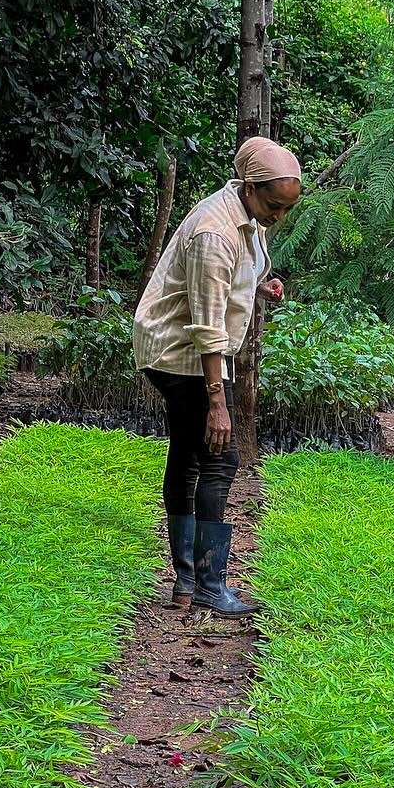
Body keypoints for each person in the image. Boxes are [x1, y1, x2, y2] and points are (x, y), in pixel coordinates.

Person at [133, 137, 301, 617]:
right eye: (274, 206)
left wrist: (259, 286)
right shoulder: (215, 231)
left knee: (189, 455)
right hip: (182, 352)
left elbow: (227, 282)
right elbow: (207, 327)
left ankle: (187, 585)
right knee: (219, 459)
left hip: (186, 348)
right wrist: (219, 401)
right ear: (251, 187)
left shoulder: (245, 216)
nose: (279, 217)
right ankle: (207, 584)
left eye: (287, 209)